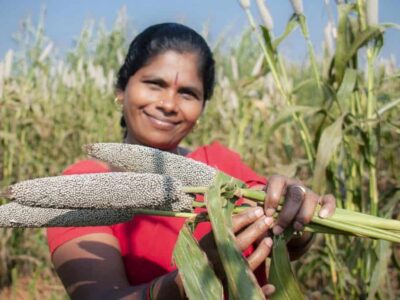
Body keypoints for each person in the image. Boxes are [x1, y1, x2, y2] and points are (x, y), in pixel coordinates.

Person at [47, 23, 335, 299]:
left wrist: (300, 217)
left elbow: (284, 238)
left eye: (187, 93)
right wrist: (196, 274)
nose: (169, 104)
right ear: (121, 90)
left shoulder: (219, 166)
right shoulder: (81, 189)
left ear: (201, 109)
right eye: (154, 84)